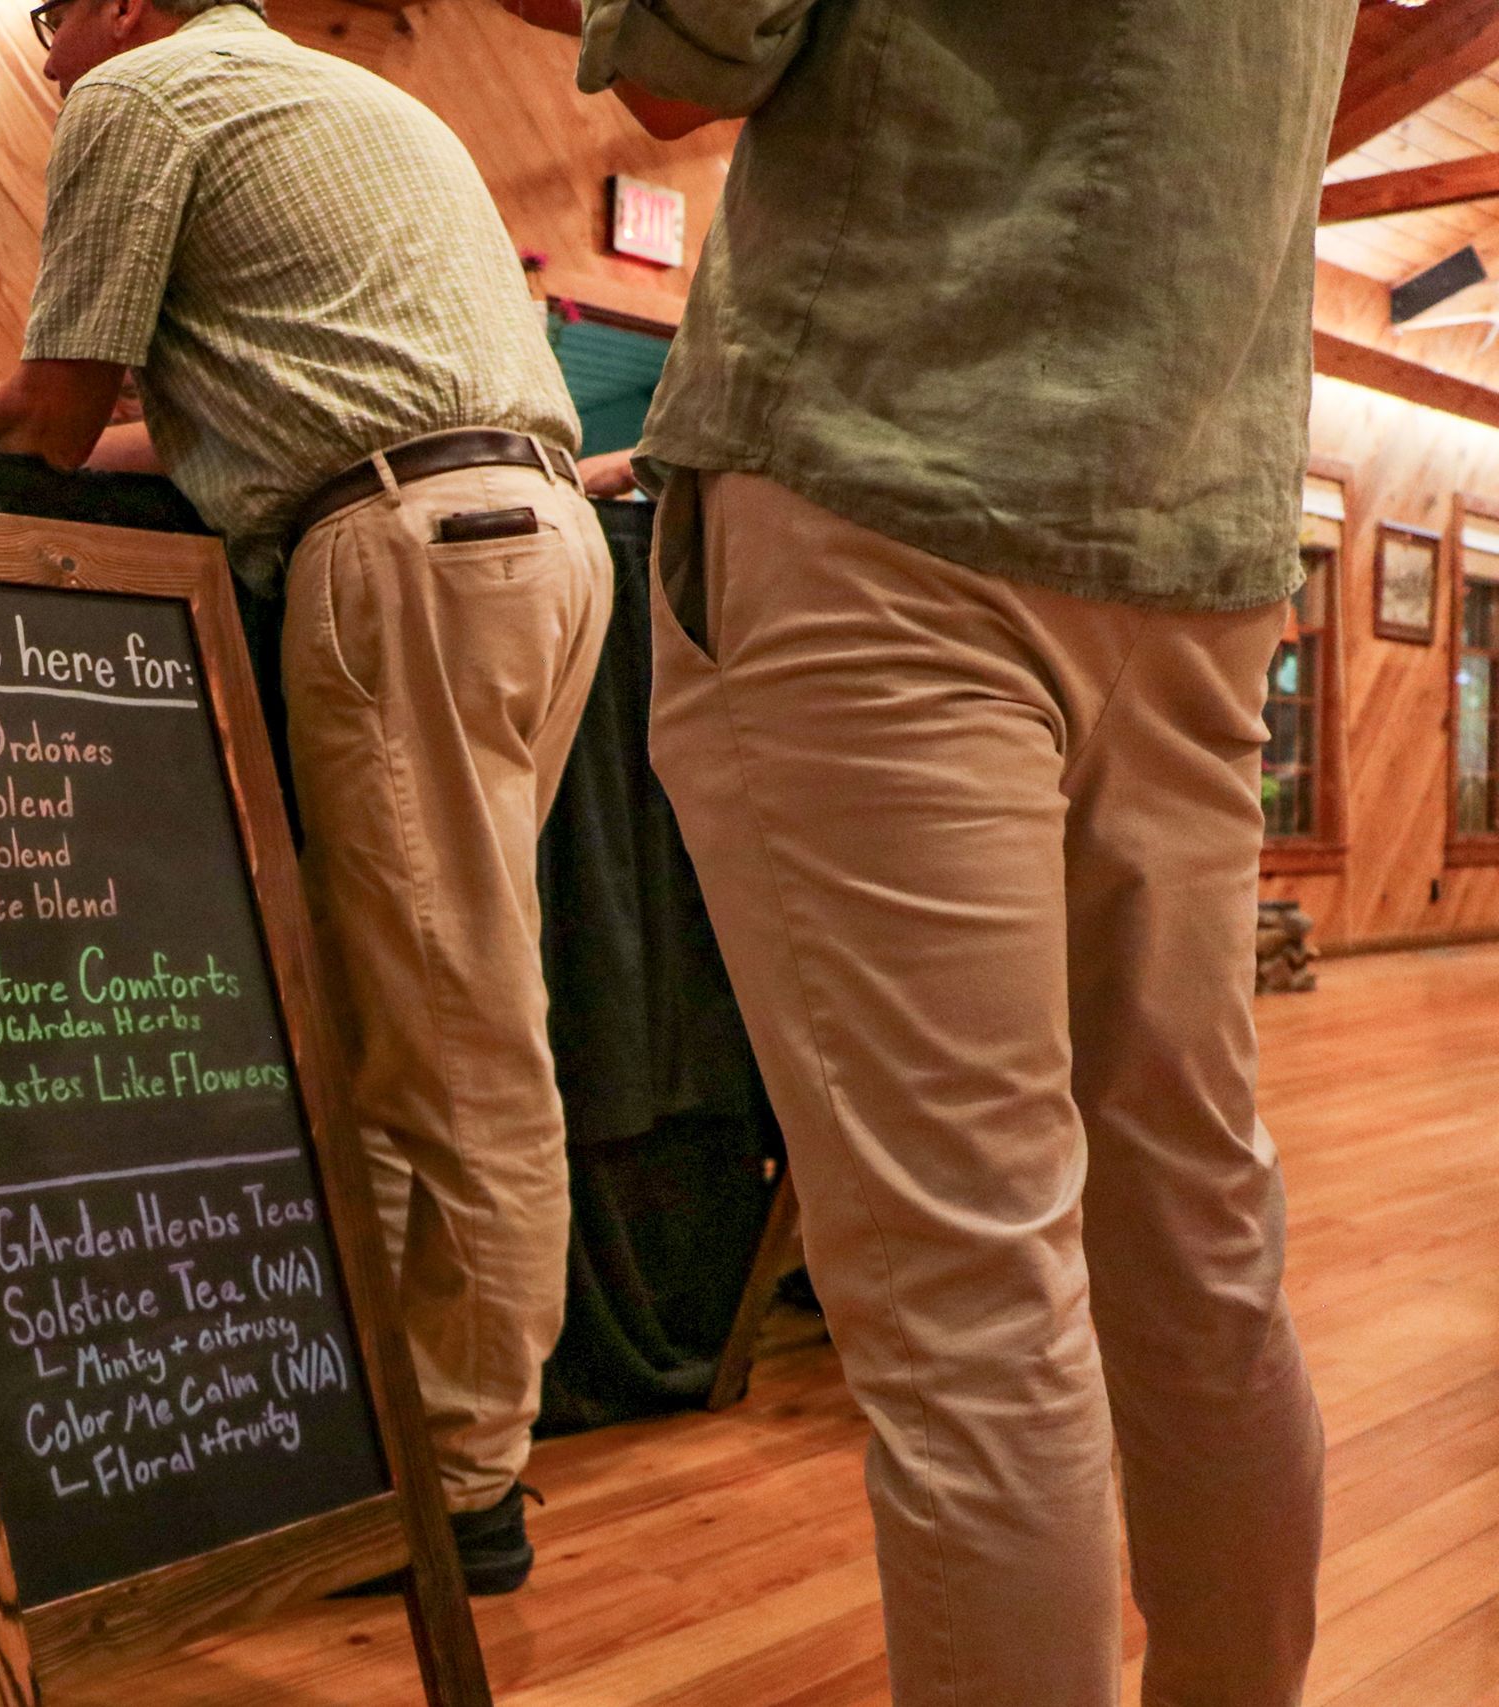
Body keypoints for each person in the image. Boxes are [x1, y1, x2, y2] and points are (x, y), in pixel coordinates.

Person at [489, 0, 1353, 1700]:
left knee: (973, 1304)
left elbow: (682, 56)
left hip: (888, 471)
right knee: (1197, 1244)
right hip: (1193, 532)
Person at [0, 0, 612, 1594]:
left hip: (399, 553)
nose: (43, 55)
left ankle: (466, 1493)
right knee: (403, 1016)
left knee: (457, 1044)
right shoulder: (337, 95)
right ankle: (398, 1440)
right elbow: (175, 435)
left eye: (51, 15)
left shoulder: (144, 94)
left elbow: (54, 419)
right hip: (531, 538)